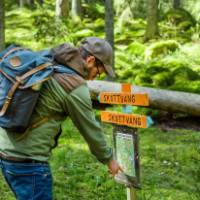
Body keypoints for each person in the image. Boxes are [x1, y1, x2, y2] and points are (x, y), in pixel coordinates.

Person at [0, 37, 122, 200]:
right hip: (29, 162)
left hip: (6, 153)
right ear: (91, 60)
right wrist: (109, 160)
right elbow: (91, 130)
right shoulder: (74, 85)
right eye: (98, 71)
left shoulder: (52, 64)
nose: (94, 77)